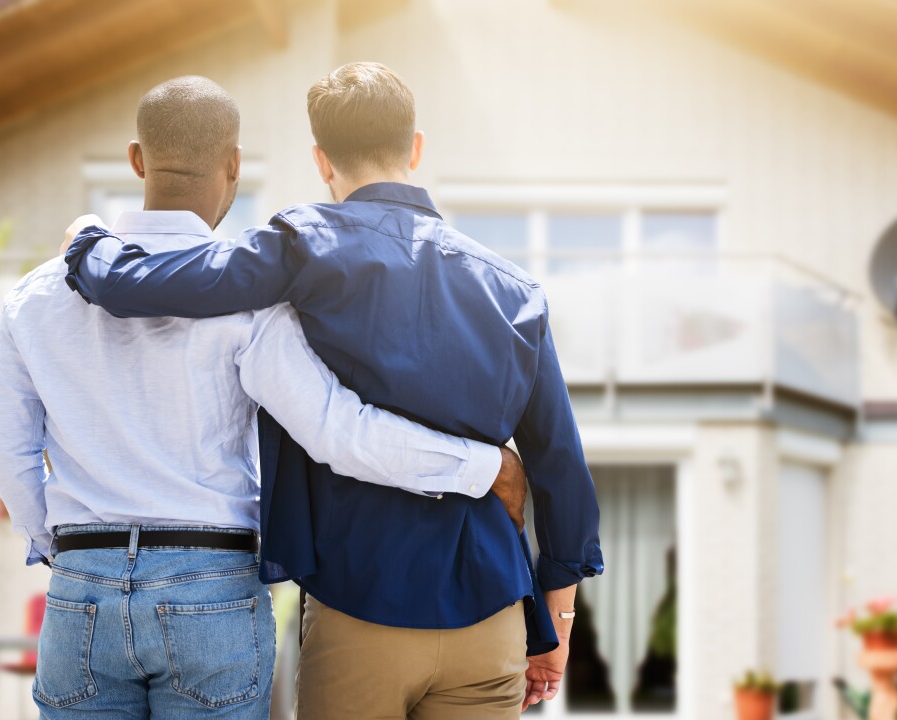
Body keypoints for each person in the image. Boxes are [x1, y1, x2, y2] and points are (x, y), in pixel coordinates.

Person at [64, 62, 603, 719]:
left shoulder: (304, 246)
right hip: (489, 610)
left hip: (358, 603)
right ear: (417, 147)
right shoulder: (514, 292)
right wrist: (557, 625)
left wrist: (88, 244)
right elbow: (562, 468)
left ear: (321, 161)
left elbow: (148, 286)